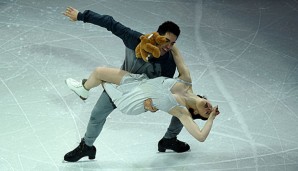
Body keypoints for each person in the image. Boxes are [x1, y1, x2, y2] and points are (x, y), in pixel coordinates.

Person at [63, 6, 191, 162]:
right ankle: (87, 146)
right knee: (97, 115)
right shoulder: (135, 39)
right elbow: (110, 23)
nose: (168, 46)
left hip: (140, 96)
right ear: (158, 36)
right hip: (120, 86)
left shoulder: (168, 62)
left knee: (187, 103)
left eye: (173, 43)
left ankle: (170, 139)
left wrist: (153, 104)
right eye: (167, 41)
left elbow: (162, 87)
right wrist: (81, 16)